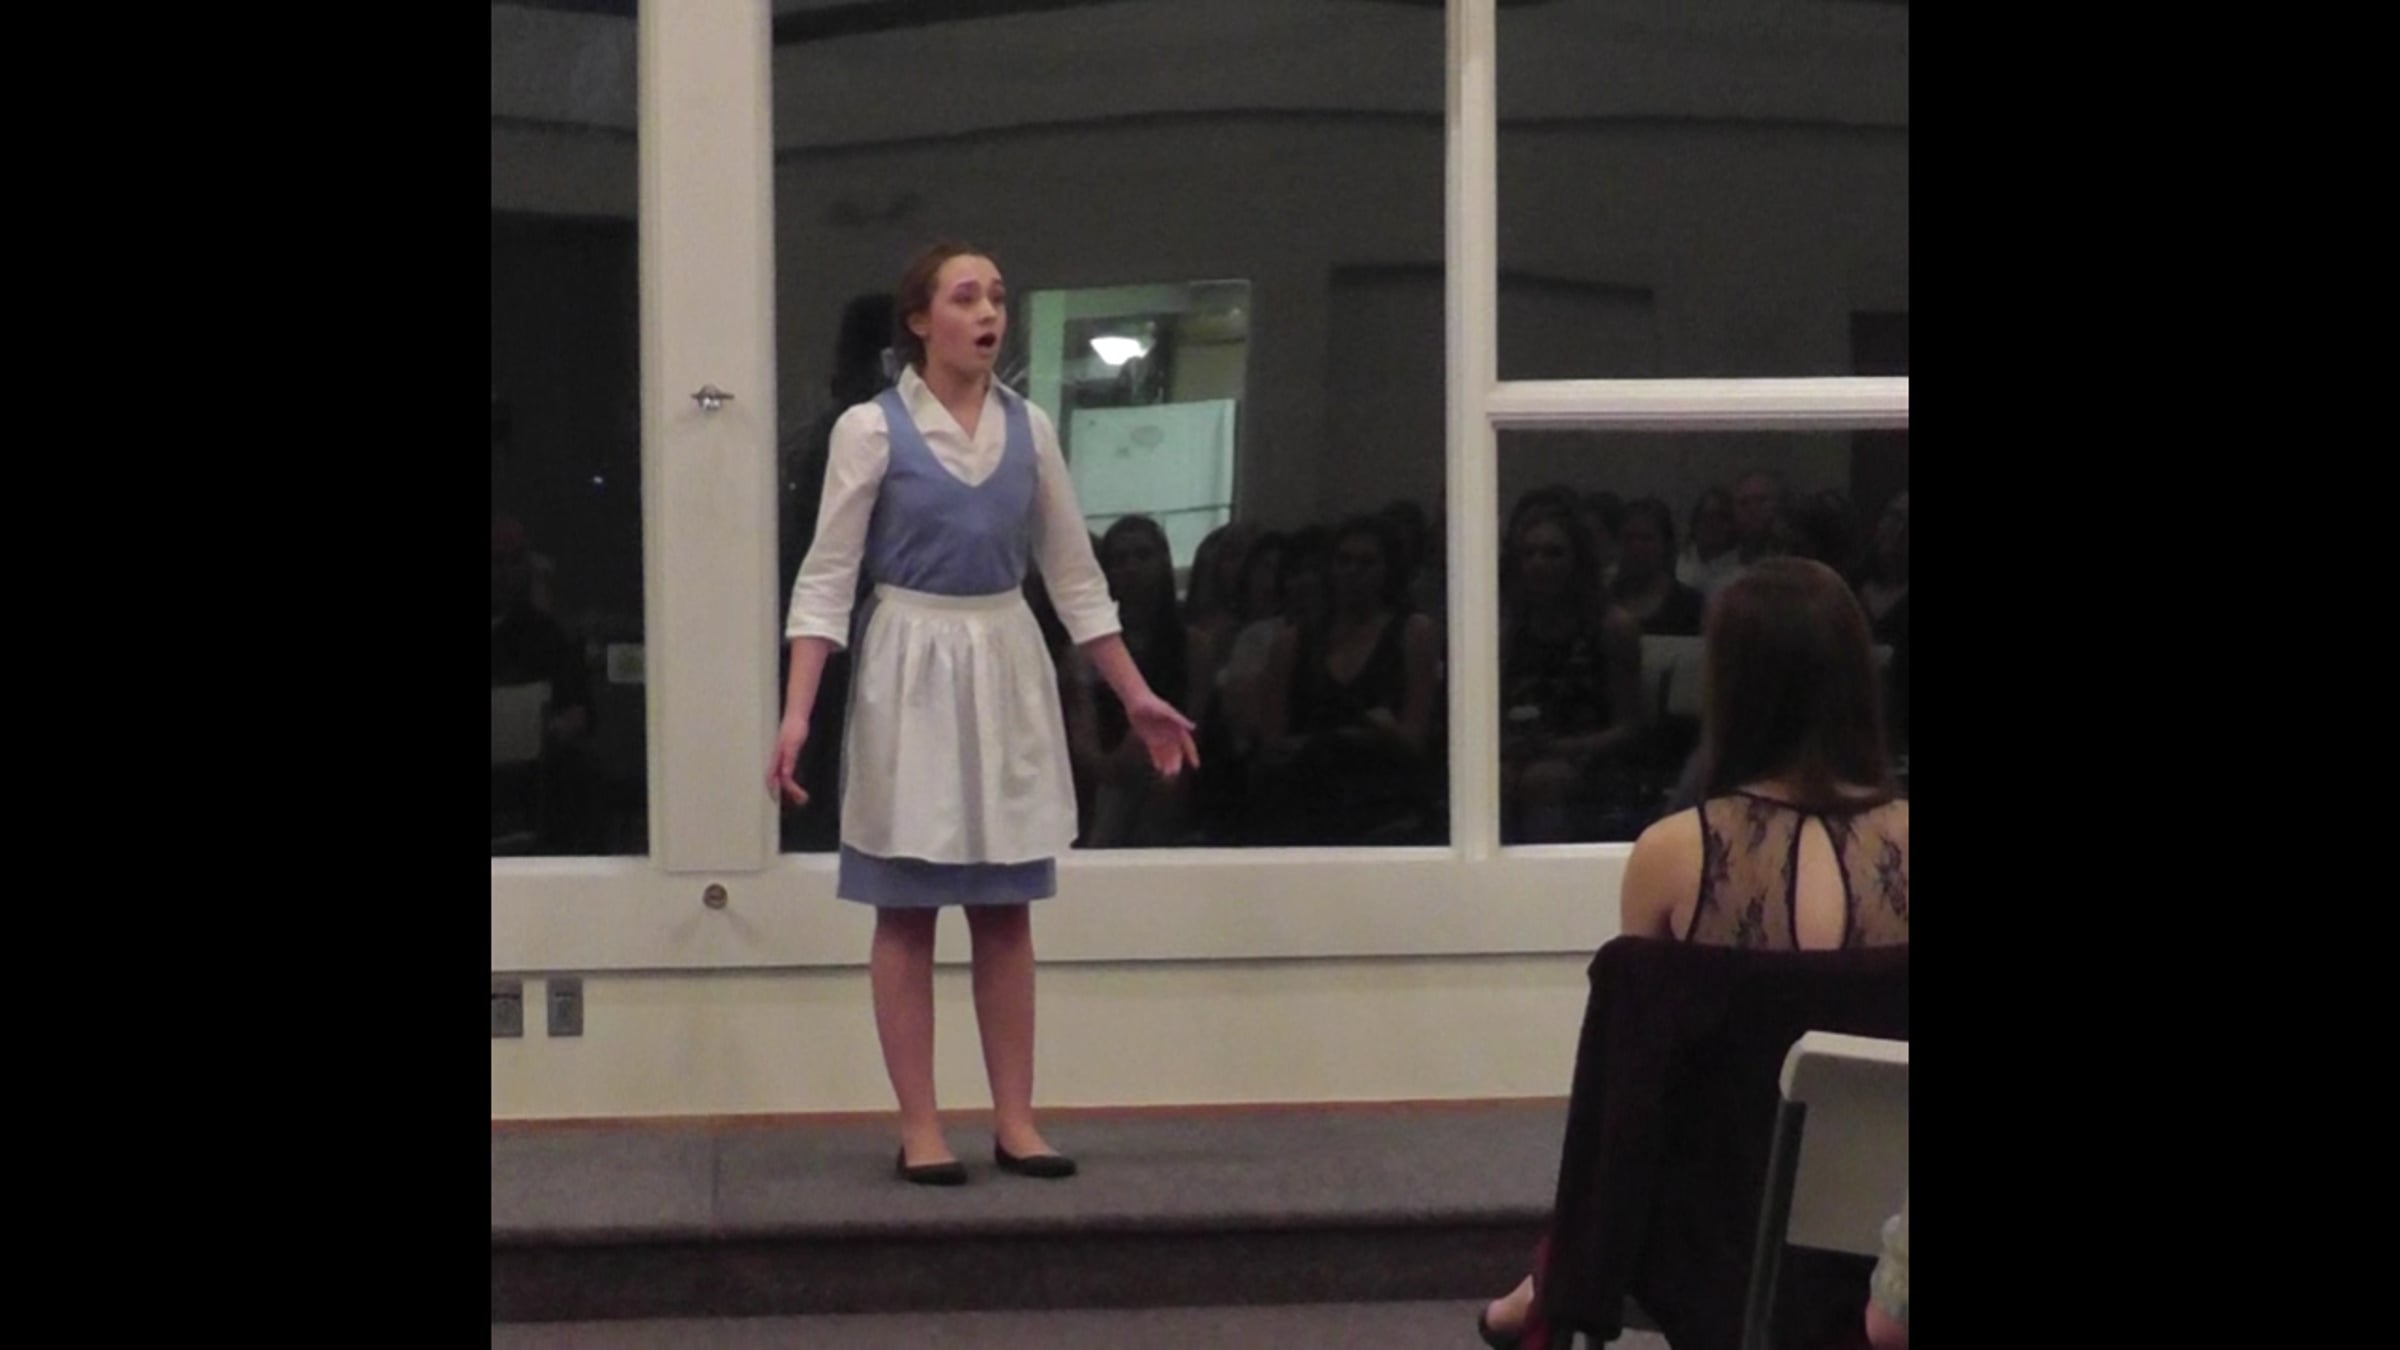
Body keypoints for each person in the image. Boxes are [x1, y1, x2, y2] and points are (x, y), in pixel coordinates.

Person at [768, 241, 1198, 1186]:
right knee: (907, 910)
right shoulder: (871, 431)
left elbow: (1075, 581)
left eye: (997, 296)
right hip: (909, 669)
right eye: (966, 297)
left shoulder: (1029, 429)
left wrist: (1135, 695)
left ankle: (1015, 1121)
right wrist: (797, 714)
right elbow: (826, 581)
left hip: (1003, 665)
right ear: (920, 321)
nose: (988, 312)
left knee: (1005, 912)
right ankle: (921, 1127)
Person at [1478, 556, 1910, 1347]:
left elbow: (1635, 1090)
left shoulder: (1673, 855)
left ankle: (1543, 1281)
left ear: (1730, 686)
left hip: (1713, 1243)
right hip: (1885, 1223)